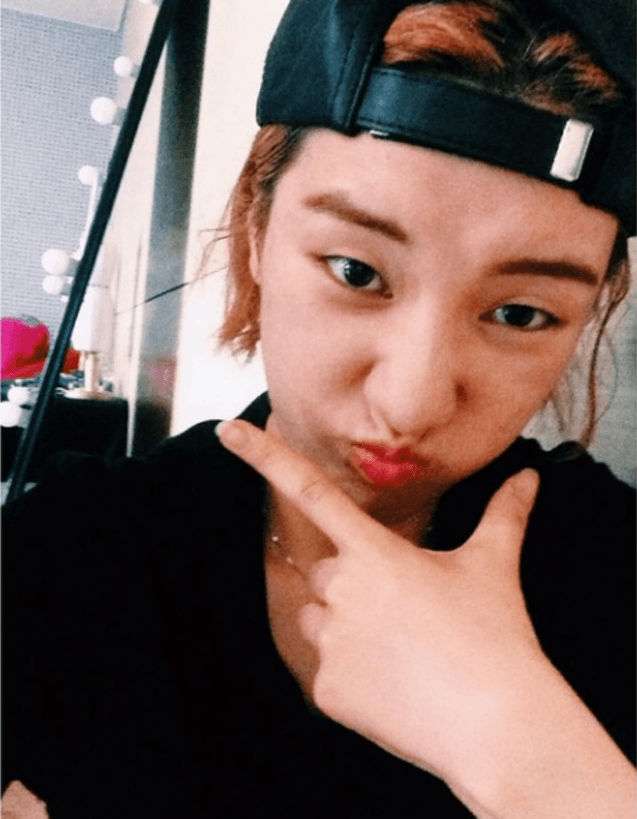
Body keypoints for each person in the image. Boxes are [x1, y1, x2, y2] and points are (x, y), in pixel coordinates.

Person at [3, 1, 635, 817]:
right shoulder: (75, 550)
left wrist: (524, 749)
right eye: (356, 271)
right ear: (256, 231)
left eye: (519, 313)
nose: (410, 400)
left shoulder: (613, 573)